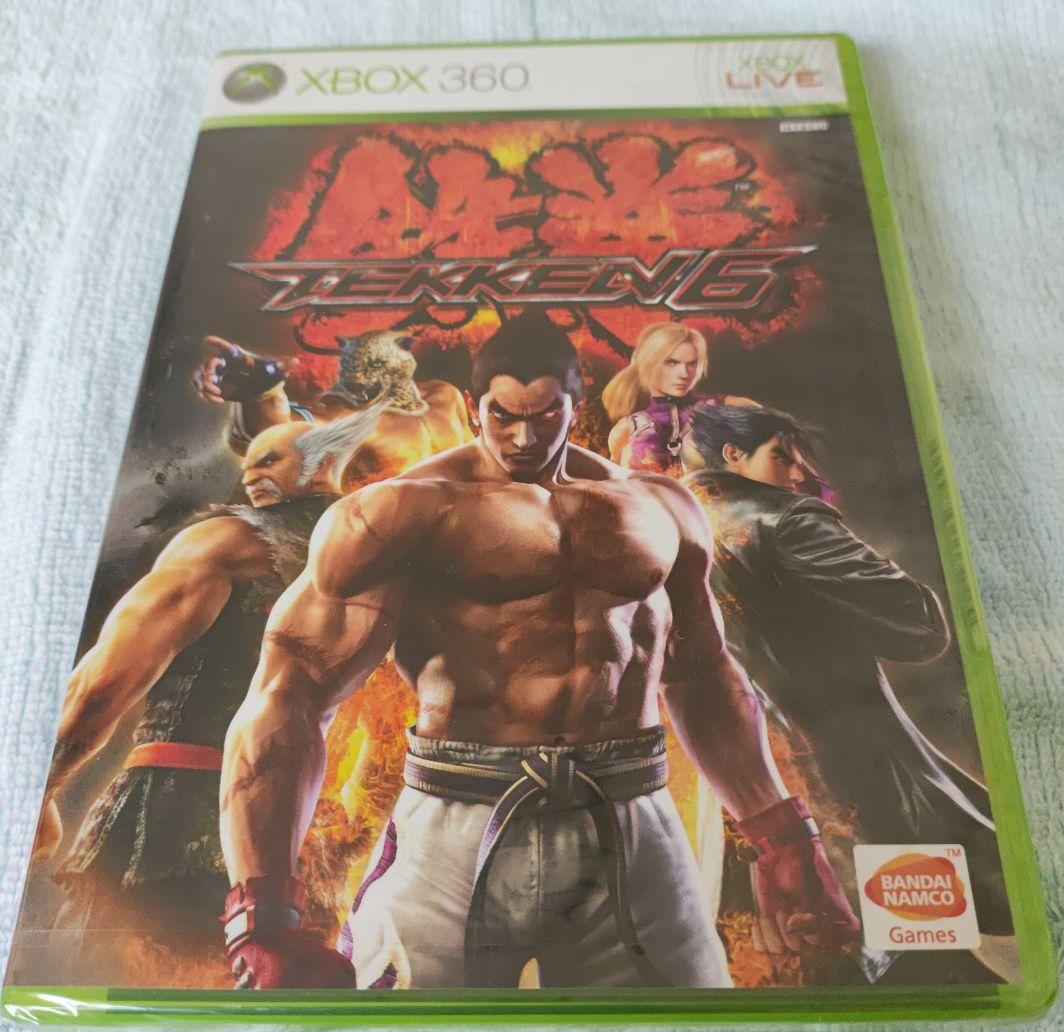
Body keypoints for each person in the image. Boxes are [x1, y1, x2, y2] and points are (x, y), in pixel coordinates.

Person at [217, 312, 858, 992]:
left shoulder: (660, 507)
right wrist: (260, 915)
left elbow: (701, 674)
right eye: (503, 416)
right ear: (474, 406)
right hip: (456, 819)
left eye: (545, 416)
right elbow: (289, 691)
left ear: (576, 407)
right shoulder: (397, 512)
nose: (523, 438)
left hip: (628, 811)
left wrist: (782, 839)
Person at [30, 406, 385, 983]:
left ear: (324, 461)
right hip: (306, 849)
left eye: (269, 459)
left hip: (168, 833)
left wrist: (42, 787)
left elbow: (105, 680)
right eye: (248, 463)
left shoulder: (227, 541)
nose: (251, 474)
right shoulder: (387, 558)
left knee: (117, 1006)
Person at [684, 402, 1013, 972]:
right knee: (917, 957)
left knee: (800, 957)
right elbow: (920, 625)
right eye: (782, 456)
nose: (799, 473)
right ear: (734, 455)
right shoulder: (787, 520)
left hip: (738, 783)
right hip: (848, 767)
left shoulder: (674, 517)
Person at [193, 330, 472, 487]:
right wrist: (260, 390)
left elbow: (478, 454)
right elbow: (274, 431)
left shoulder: (444, 395)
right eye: (357, 366)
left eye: (374, 364)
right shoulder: (347, 418)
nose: (362, 377)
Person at [602, 322, 754, 475]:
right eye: (671, 362)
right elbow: (613, 485)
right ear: (649, 364)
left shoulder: (725, 408)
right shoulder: (624, 431)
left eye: (693, 364)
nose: (684, 374)